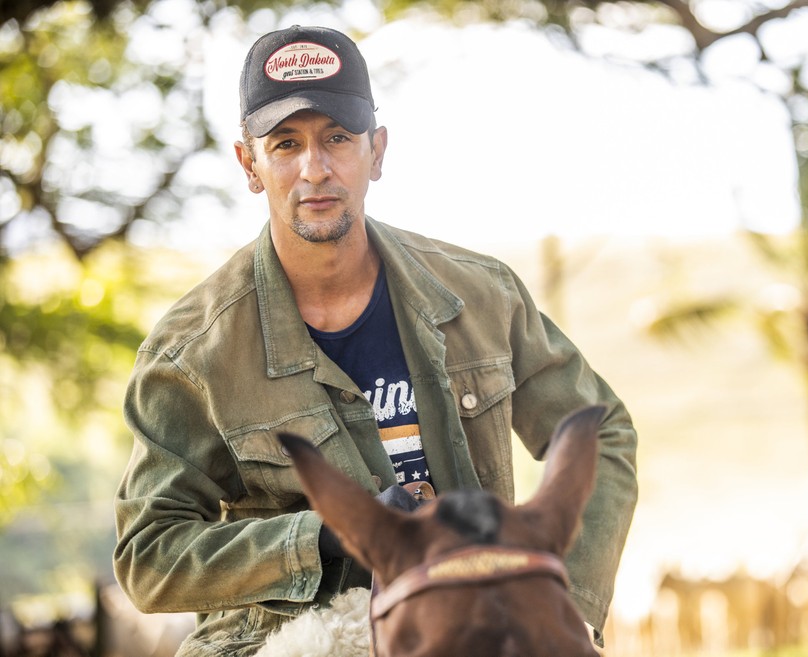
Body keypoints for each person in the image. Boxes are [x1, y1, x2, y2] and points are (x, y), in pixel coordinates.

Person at [113, 24, 638, 656]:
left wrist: (566, 600)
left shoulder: (482, 295)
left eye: (338, 138)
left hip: (477, 620)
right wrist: (321, 536)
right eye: (285, 144)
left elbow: (600, 428)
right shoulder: (191, 354)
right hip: (287, 643)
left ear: (377, 151)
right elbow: (150, 555)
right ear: (249, 164)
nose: (316, 168)